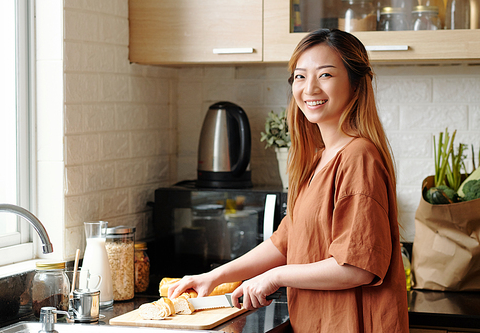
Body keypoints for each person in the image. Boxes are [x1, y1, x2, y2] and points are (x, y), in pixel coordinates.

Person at [168, 28, 409, 333]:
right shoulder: (318, 159)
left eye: (325, 75)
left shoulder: (358, 156)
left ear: (355, 83)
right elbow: (283, 244)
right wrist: (213, 277)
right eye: (300, 76)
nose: (310, 88)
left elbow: (355, 268)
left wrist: (277, 276)